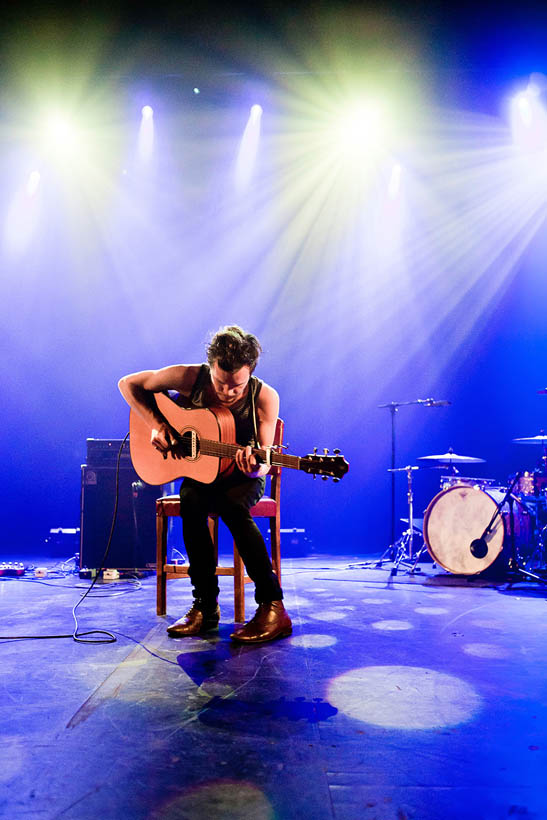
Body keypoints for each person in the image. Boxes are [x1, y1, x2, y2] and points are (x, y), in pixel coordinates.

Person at [118, 325, 292, 643]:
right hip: (202, 474)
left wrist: (255, 467)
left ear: (250, 372)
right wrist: (156, 425)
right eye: (220, 383)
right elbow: (127, 384)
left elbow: (266, 458)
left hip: (244, 478)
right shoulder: (189, 377)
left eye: (236, 387)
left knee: (232, 506)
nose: (227, 393)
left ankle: (273, 606)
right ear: (210, 366)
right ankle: (205, 606)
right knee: (191, 500)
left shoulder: (264, 396)